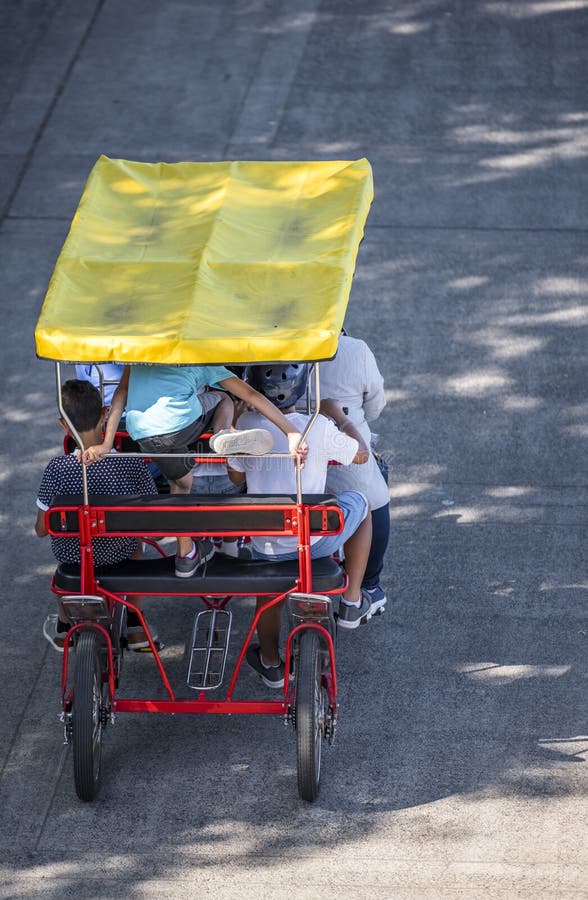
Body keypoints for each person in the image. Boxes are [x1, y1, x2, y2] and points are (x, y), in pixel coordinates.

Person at [227, 363, 375, 690]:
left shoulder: (249, 425)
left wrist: (238, 419)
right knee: (360, 504)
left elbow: (235, 477)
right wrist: (340, 416)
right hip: (312, 541)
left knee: (268, 593)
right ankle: (351, 602)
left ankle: (270, 662)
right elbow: (362, 455)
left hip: (266, 545)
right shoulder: (316, 426)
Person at [83, 364, 308, 577]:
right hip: (181, 424)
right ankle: (222, 435)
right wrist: (290, 431)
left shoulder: (139, 355)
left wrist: (106, 443)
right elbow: (251, 395)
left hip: (143, 433)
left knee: (181, 483)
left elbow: (121, 393)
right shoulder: (199, 360)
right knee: (224, 399)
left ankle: (186, 555)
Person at [35, 379, 159, 652]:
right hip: (120, 558)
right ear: (105, 415)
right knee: (136, 545)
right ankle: (135, 625)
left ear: (63, 425)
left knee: (64, 560)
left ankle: (65, 627)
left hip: (75, 562)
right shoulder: (131, 465)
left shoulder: (57, 468)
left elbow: (42, 528)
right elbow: (153, 521)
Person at [318, 330, 390, 612]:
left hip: (283, 449)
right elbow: (375, 406)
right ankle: (367, 584)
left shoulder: (269, 343)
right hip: (344, 447)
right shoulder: (354, 349)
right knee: (374, 491)